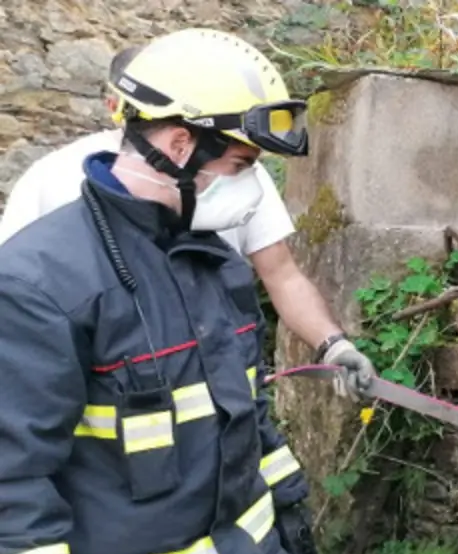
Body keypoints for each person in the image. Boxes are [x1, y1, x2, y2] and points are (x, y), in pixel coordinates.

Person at [0, 28, 381, 554]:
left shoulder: (216, 265)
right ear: (180, 146)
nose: (249, 185)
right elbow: (10, 469)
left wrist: (286, 498)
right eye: (240, 162)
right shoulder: (39, 281)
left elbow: (242, 407)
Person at [0, 46, 375, 401]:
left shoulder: (238, 175)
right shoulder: (52, 181)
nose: (247, 178)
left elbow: (283, 275)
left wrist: (333, 345)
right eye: (242, 165)